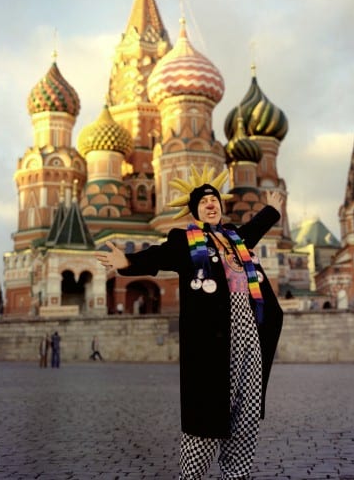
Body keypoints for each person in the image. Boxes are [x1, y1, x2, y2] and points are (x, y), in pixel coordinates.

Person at [96, 164, 284, 479]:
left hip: (250, 331)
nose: (210, 204)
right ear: (195, 212)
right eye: (203, 202)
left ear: (221, 207)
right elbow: (159, 255)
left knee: (247, 409)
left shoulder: (236, 239)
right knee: (208, 411)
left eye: (215, 200)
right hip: (213, 337)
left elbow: (254, 229)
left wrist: (272, 211)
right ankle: (193, 474)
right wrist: (128, 261)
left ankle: (237, 474)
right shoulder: (186, 242)